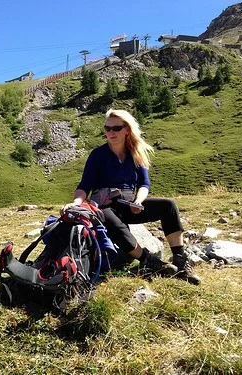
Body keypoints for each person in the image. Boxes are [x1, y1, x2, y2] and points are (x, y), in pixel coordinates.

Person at [60, 109, 200, 285]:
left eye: (116, 128)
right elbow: (84, 185)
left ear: (127, 130)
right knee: (109, 219)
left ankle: (180, 263)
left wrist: (138, 201)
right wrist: (75, 203)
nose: (111, 132)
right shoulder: (97, 155)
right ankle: (150, 262)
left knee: (168, 206)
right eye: (107, 128)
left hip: (129, 202)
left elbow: (144, 184)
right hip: (104, 204)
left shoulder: (135, 153)